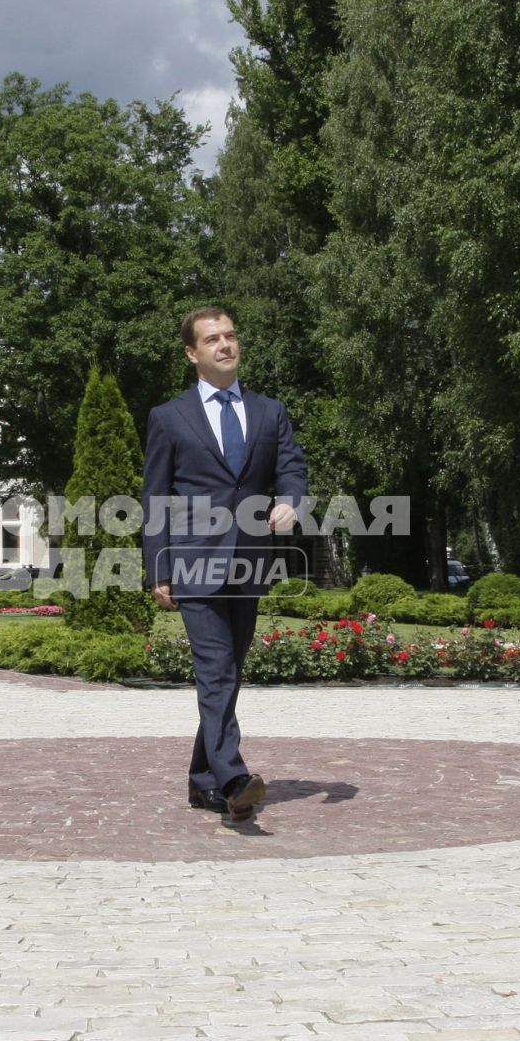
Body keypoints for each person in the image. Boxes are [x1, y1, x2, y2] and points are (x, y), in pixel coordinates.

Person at [143, 306, 309, 825]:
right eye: (212, 339)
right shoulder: (169, 417)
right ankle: (234, 778)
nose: (225, 345)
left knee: (228, 674)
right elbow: (155, 498)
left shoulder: (269, 411)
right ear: (192, 353)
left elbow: (293, 468)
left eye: (231, 335)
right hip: (193, 563)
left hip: (250, 562)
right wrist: (159, 569)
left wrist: (291, 501)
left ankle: (202, 780)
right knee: (215, 671)